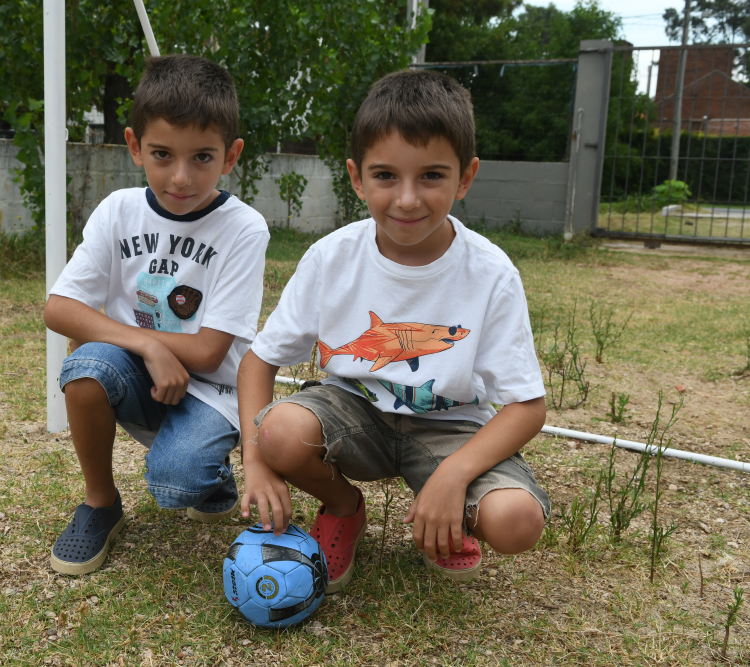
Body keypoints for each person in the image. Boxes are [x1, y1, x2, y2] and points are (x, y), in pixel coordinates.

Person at [237, 69, 550, 591]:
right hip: (353, 412)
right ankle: (343, 507)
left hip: (451, 429)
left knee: (516, 521)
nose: (407, 199)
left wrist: (453, 475)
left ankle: (445, 521)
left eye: (431, 176)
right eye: (385, 176)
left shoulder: (492, 273)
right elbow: (258, 360)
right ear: (356, 178)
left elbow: (527, 406)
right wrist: (255, 459)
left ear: (465, 178)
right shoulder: (331, 257)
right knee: (279, 432)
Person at [44, 55, 269, 575]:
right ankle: (101, 504)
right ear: (133, 145)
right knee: (86, 369)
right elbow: (58, 307)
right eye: (162, 154)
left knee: (176, 484)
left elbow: (212, 350)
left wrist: (147, 343)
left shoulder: (244, 228)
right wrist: (147, 344)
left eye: (203, 158)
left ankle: (210, 471)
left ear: (231, 155)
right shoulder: (119, 210)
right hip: (141, 370)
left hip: (213, 387)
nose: (181, 177)